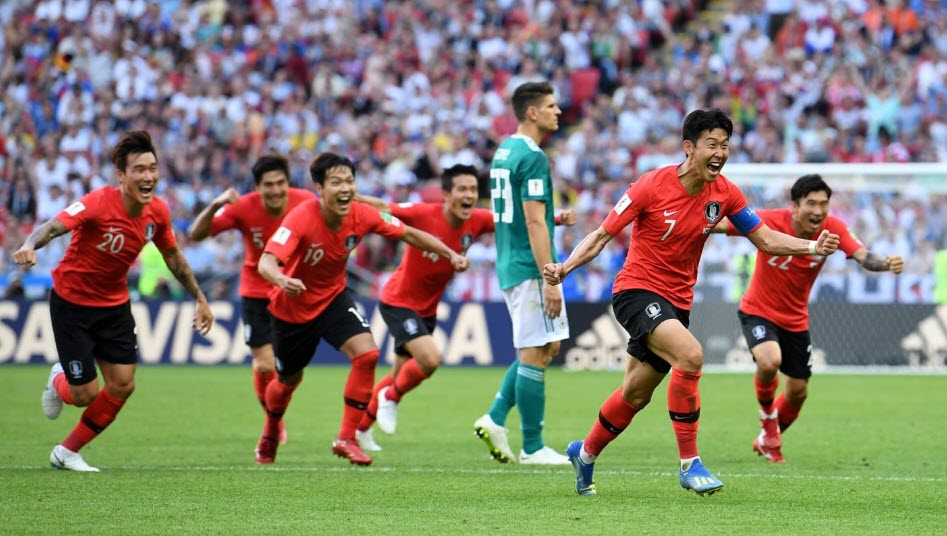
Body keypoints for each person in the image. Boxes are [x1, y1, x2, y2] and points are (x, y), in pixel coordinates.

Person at [542, 109, 841, 496]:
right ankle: (690, 464)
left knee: (635, 393)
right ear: (689, 147)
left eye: (725, 145)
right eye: (712, 144)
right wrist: (565, 268)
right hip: (636, 291)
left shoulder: (727, 193)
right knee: (692, 356)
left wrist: (813, 245)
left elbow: (765, 239)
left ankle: (584, 453)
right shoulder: (650, 186)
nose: (720, 152)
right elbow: (601, 235)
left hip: (677, 303)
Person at [16, 131, 213, 472]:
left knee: (123, 384)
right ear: (121, 175)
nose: (148, 176)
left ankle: (66, 452)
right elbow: (53, 226)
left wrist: (199, 296)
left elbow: (173, 256)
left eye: (152, 168)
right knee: (84, 395)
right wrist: (30, 244)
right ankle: (59, 377)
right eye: (139, 169)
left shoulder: (158, 212)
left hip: (114, 305)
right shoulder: (97, 202)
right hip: (72, 303)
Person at [255, 152, 469, 466]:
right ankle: (271, 430)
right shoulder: (302, 216)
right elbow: (266, 262)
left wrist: (450, 253)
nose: (345, 188)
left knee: (367, 354)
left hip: (333, 299)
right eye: (336, 182)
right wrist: (282, 279)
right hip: (292, 308)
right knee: (287, 381)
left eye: (350, 181)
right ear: (319, 188)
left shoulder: (363, 214)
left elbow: (408, 233)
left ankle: (346, 438)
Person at [352, 164, 576, 451]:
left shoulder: (477, 219)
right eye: (462, 189)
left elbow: (515, 221)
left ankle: (361, 430)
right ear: (446, 194)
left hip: (427, 308)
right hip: (398, 301)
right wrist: (350, 196)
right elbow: (385, 206)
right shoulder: (423, 214)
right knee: (430, 359)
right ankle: (391, 399)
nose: (469, 195)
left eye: (472, 189)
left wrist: (556, 218)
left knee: (399, 375)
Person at [713, 174, 903, 463]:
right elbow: (723, 223)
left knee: (798, 391)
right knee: (769, 361)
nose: (818, 210)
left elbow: (863, 256)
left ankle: (766, 438)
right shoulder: (769, 221)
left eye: (823, 204)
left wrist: (887, 263)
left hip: (795, 320)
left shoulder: (833, 228)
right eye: (811, 203)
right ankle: (768, 426)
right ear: (794, 206)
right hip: (758, 310)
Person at [473, 81, 572, 466]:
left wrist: (555, 218)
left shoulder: (505, 150)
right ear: (532, 112)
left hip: (511, 260)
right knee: (534, 351)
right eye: (551, 105)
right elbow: (532, 222)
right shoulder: (532, 157)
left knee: (548, 347)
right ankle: (533, 446)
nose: (558, 111)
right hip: (529, 265)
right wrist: (550, 277)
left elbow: (524, 213)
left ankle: (496, 418)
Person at [188, 154, 315, 446]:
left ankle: (275, 415)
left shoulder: (306, 201)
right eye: (268, 184)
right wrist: (217, 203)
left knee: (291, 370)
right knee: (263, 364)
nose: (275, 190)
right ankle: (273, 421)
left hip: (294, 290)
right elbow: (196, 234)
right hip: (257, 293)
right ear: (257, 187)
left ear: (288, 183)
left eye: (280, 183)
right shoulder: (244, 207)